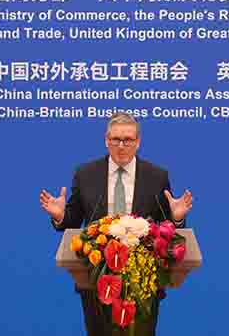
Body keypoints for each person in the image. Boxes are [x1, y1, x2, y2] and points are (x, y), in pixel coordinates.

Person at [39, 112, 193, 336]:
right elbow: (74, 219)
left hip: (142, 277)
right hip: (96, 274)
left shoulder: (156, 176)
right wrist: (61, 215)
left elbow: (166, 226)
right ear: (106, 140)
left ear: (138, 142)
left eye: (128, 140)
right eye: (115, 140)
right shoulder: (85, 174)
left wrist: (176, 217)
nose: (121, 146)